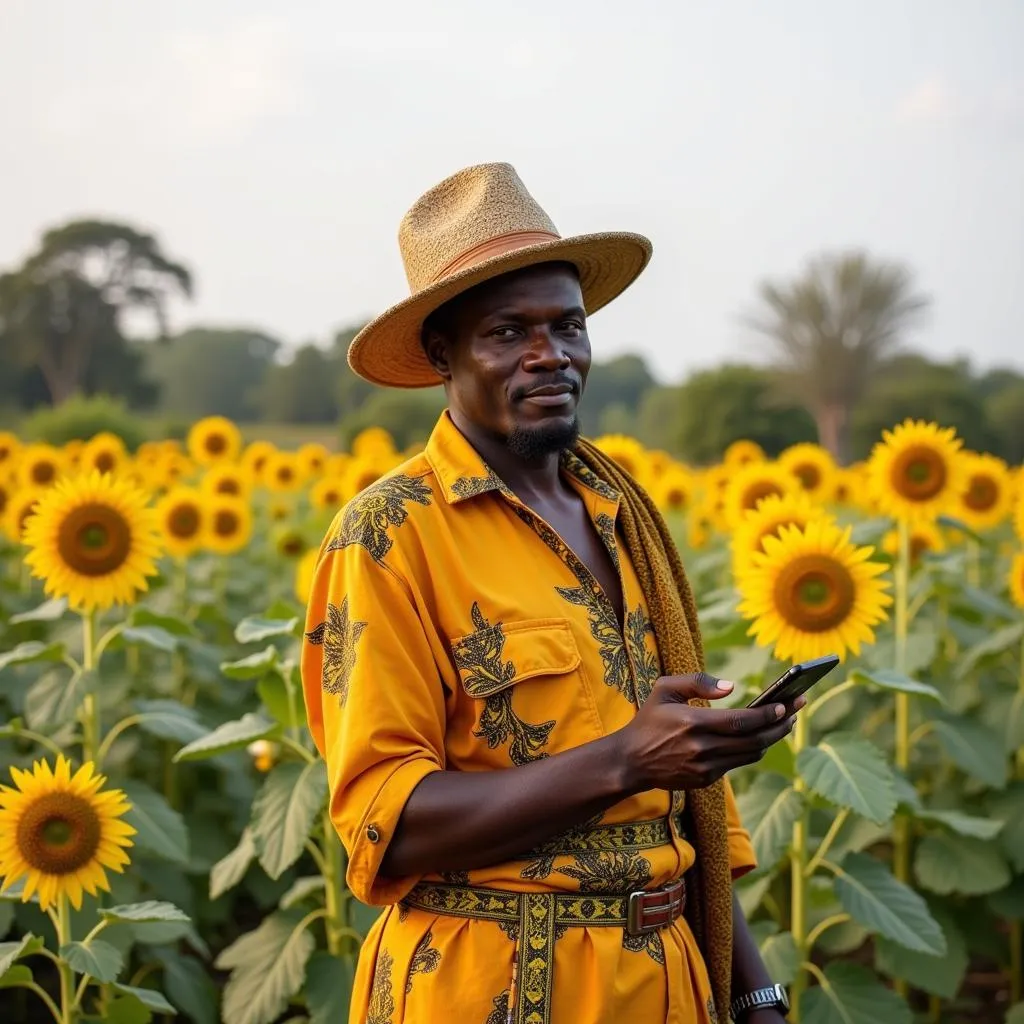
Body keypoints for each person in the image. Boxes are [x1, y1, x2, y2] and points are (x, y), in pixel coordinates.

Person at [300, 162, 799, 1024]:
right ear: (440, 353)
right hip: (486, 984)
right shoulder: (389, 536)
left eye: (569, 326)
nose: (551, 355)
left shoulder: (619, 513)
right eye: (507, 331)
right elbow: (391, 823)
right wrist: (626, 758)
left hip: (666, 982)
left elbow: (681, 820)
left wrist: (753, 990)